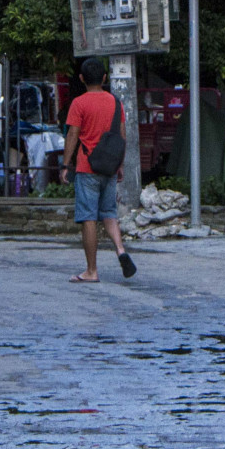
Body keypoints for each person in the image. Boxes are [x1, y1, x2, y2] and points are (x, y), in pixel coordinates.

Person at [63, 58, 134, 282]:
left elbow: (73, 134)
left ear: (82, 78)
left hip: (87, 167)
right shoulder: (116, 103)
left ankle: (91, 270)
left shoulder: (79, 103)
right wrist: (119, 165)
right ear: (104, 78)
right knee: (109, 214)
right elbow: (121, 137)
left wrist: (66, 165)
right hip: (109, 168)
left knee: (89, 219)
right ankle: (120, 250)